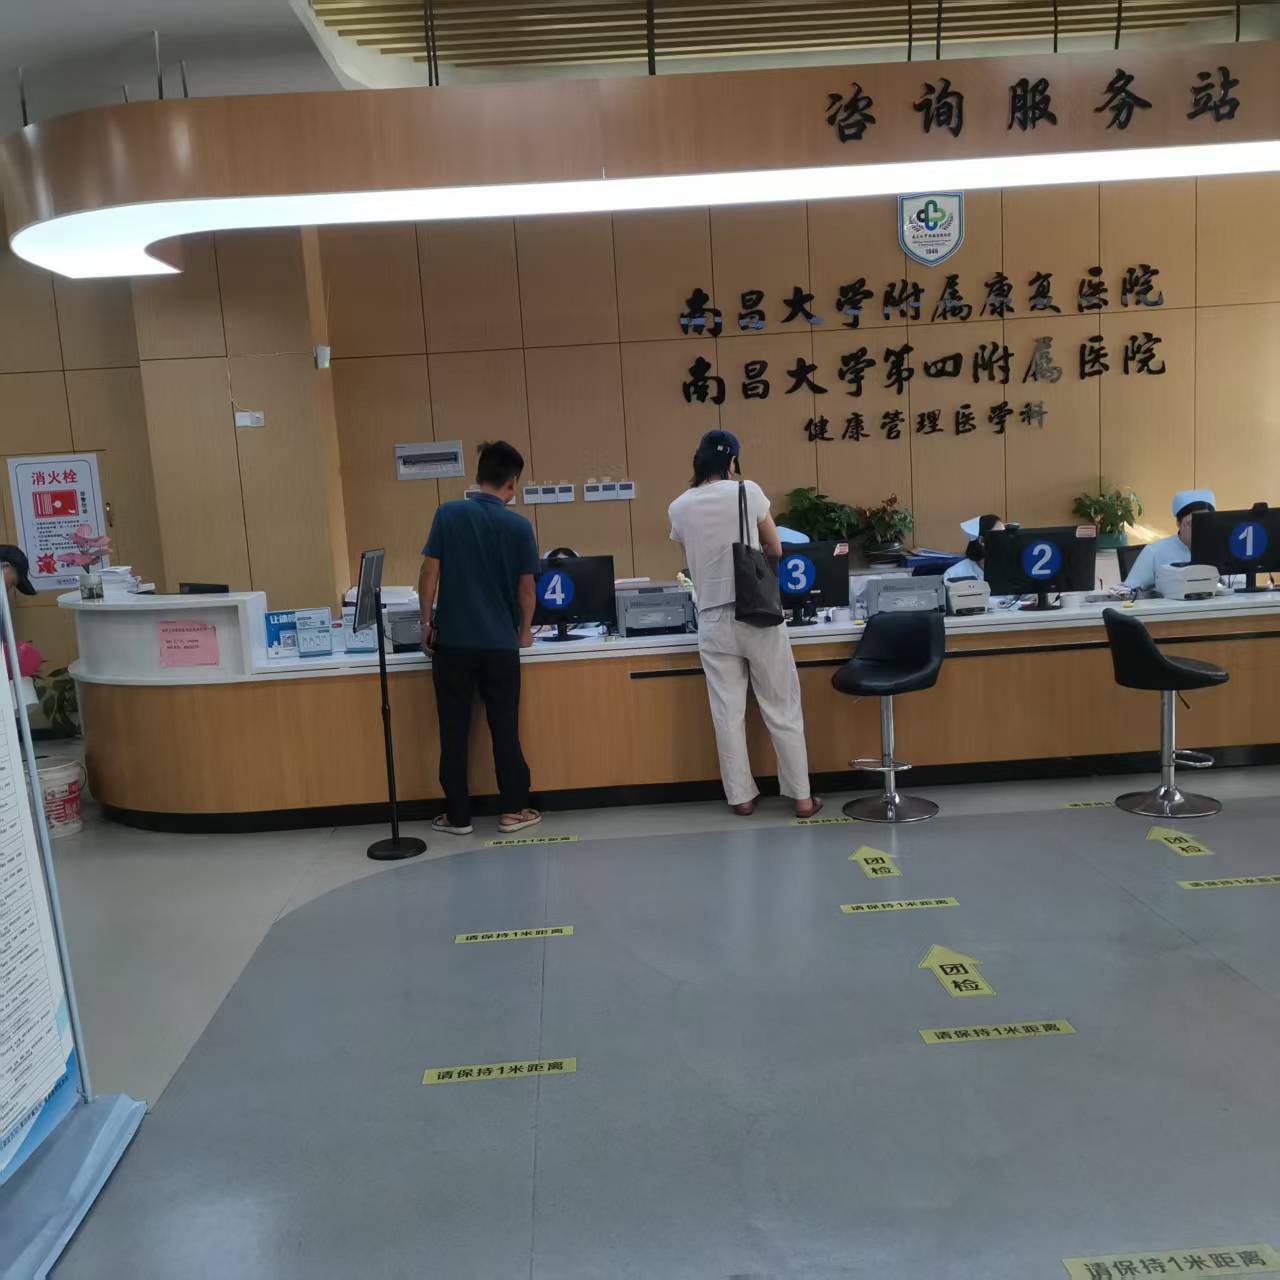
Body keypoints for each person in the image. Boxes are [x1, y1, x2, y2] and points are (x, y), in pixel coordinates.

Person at [668, 430, 821, 819]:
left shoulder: (678, 507)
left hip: (712, 619)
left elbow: (692, 558)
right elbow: (775, 548)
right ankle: (802, 798)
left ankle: (741, 798)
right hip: (758, 614)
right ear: (732, 461)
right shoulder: (747, 492)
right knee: (781, 706)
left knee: (727, 712)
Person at [417, 441, 541, 837]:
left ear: (478, 476)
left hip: (452, 645)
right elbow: (527, 588)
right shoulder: (519, 527)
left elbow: (429, 573)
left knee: (453, 731)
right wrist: (524, 631)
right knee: (504, 728)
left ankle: (458, 817)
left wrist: (425, 623)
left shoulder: (448, 514)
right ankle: (513, 811)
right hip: (500, 646)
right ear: (513, 482)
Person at [1123, 489, 1215, 591]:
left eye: (1205, 522)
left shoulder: (1217, 549)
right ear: (1178, 523)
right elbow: (1127, 590)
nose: (1199, 529)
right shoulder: (1154, 551)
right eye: (1192, 523)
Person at [943, 514, 1005, 582]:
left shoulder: (1010, 570)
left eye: (1005, 534)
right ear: (982, 541)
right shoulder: (954, 574)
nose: (1005, 540)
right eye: (1000, 535)